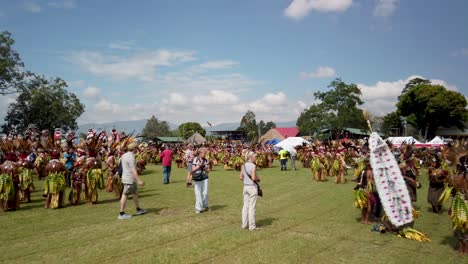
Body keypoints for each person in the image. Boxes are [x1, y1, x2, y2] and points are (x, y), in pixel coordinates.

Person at [118, 142, 147, 220]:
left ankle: (138, 209)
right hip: (129, 179)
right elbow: (133, 170)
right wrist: (139, 180)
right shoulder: (131, 157)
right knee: (125, 195)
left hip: (127, 177)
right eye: (136, 148)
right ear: (134, 149)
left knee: (135, 193)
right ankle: (121, 213)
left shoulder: (124, 155)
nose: (137, 149)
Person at [240, 151, 261, 230]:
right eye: (255, 157)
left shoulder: (243, 165)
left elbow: (241, 177)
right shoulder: (253, 166)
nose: (256, 158)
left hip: (245, 187)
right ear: (251, 157)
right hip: (252, 187)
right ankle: (252, 226)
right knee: (251, 207)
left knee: (245, 206)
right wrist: (258, 178)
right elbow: (253, 178)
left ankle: (244, 225)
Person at [191, 147, 210, 213]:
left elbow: (208, 171)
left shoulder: (206, 160)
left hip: (204, 177)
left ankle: (205, 206)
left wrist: (205, 167)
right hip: (197, 177)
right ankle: (198, 208)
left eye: (205, 153)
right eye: (204, 153)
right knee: (198, 193)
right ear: (200, 153)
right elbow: (192, 170)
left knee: (205, 193)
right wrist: (199, 166)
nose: (205, 155)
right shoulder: (196, 159)